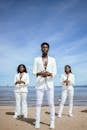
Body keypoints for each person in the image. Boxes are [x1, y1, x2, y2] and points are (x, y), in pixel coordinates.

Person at [33, 42, 57, 129]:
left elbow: (55, 72)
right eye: (43, 47)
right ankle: (37, 122)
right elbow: (34, 71)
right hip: (39, 84)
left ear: (48, 49)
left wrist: (49, 74)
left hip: (49, 84)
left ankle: (52, 122)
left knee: (51, 103)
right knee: (38, 103)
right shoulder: (36, 59)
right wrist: (40, 73)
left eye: (46, 47)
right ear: (41, 49)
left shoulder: (53, 59)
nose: (45, 48)